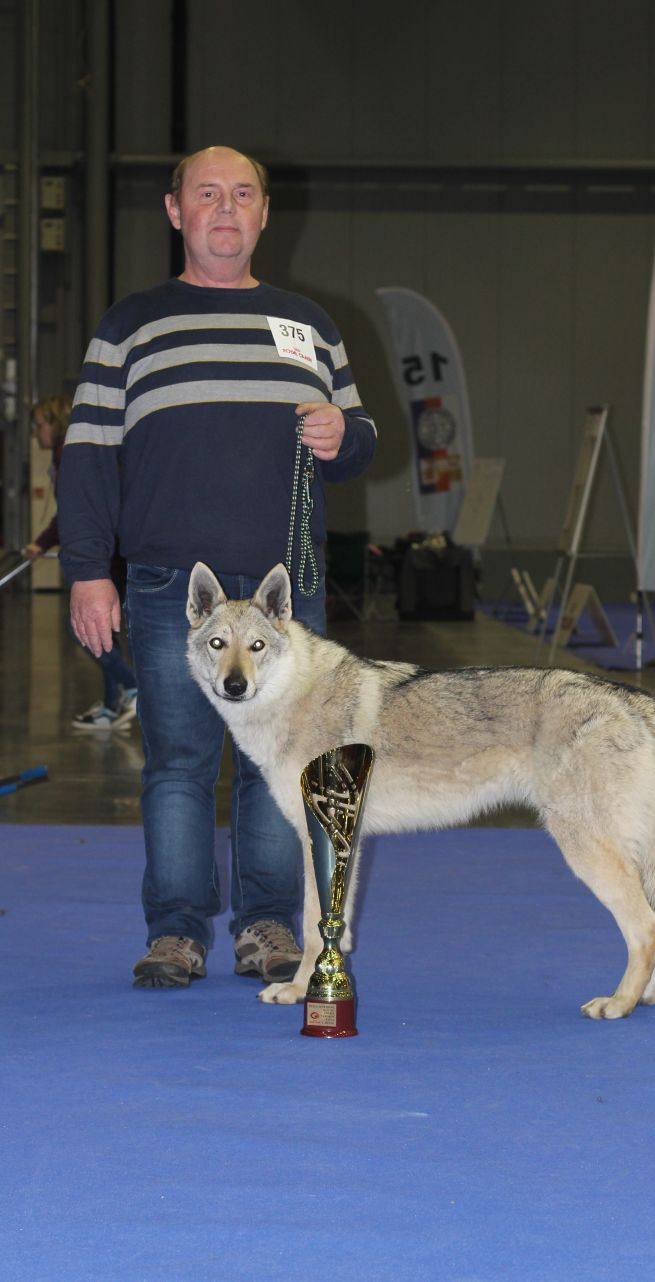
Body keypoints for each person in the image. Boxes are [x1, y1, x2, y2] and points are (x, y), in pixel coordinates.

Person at [58, 145, 377, 990]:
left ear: (265, 214)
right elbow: (88, 452)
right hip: (172, 591)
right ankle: (176, 934)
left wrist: (348, 438)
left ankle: (270, 927)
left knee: (284, 765)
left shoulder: (310, 325)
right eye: (208, 194)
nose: (226, 208)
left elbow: (358, 438)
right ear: (175, 212)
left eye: (243, 194)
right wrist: (88, 570)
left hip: (284, 600)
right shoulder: (130, 324)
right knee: (177, 764)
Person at [24, 395, 138, 731]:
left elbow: (77, 511)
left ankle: (132, 687)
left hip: (110, 557)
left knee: (85, 630)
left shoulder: (68, 453)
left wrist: (42, 541)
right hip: (111, 553)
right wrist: (40, 543)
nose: (35, 433)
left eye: (39, 425)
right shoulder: (61, 457)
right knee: (103, 633)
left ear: (56, 423)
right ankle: (109, 706)